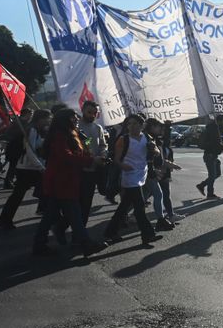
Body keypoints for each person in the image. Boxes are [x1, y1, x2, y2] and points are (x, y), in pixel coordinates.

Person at [32, 109, 107, 257]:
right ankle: (85, 244)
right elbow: (66, 157)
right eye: (74, 118)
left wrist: (92, 155)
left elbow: (83, 149)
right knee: (75, 214)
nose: (77, 119)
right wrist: (91, 160)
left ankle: (40, 243)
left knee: (50, 216)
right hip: (61, 180)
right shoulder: (59, 135)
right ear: (65, 119)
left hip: (70, 179)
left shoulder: (76, 132)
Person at [103, 113, 162, 246]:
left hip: (142, 174)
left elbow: (156, 151)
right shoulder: (123, 139)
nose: (132, 126)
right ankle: (148, 235)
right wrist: (124, 166)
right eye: (129, 124)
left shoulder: (146, 137)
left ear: (142, 126)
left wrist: (154, 150)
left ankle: (110, 232)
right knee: (139, 206)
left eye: (135, 123)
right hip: (129, 176)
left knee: (123, 207)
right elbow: (117, 160)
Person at [0, 109, 50, 230]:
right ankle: (4, 220)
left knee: (45, 191)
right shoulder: (32, 129)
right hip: (27, 168)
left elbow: (36, 146)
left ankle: (49, 214)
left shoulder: (37, 130)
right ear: (41, 119)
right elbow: (30, 151)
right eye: (47, 118)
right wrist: (41, 167)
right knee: (19, 195)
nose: (48, 121)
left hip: (31, 167)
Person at [144, 118, 180, 231]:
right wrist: (153, 169)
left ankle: (161, 220)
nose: (160, 129)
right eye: (158, 127)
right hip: (147, 172)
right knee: (151, 195)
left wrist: (168, 164)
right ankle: (160, 220)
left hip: (153, 172)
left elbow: (162, 150)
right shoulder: (145, 138)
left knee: (145, 196)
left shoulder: (154, 139)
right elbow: (145, 157)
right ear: (152, 127)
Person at [77, 100, 107, 225]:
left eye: (95, 113)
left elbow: (103, 145)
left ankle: (79, 231)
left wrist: (103, 154)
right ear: (83, 110)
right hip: (79, 170)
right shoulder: (76, 127)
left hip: (94, 169)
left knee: (87, 202)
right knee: (78, 203)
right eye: (89, 112)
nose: (92, 115)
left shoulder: (97, 127)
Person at [196, 114, 223, 199]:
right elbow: (216, 142)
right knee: (212, 175)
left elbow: (220, 141)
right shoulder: (214, 129)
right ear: (220, 121)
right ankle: (210, 194)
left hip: (214, 155)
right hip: (210, 155)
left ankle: (202, 185)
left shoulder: (218, 129)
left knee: (217, 174)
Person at [2, 107, 33, 189]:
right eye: (30, 114)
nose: (31, 116)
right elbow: (8, 134)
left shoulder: (27, 123)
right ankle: (8, 182)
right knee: (13, 166)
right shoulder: (17, 123)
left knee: (20, 165)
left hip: (21, 147)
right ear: (26, 114)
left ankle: (19, 181)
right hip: (14, 147)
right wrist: (19, 134)